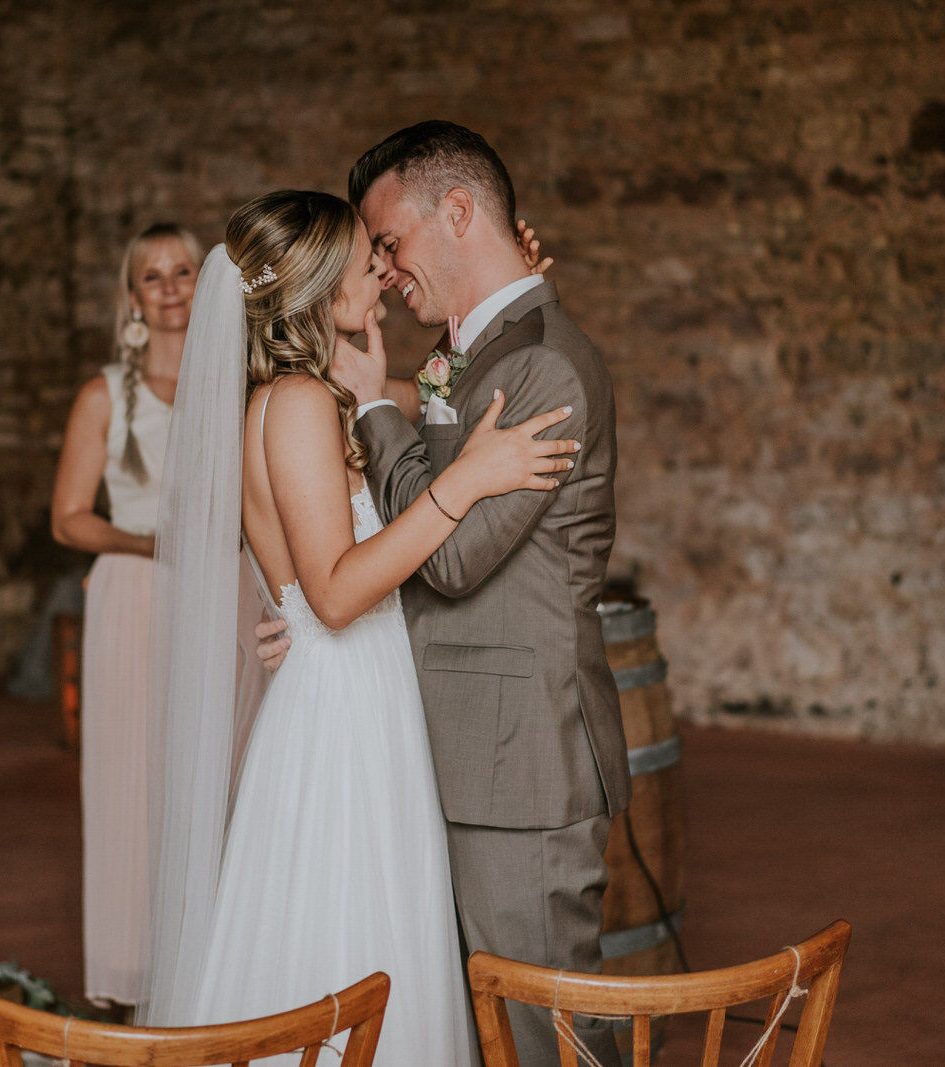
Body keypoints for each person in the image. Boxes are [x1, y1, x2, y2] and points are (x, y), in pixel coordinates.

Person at [136, 190, 579, 1065]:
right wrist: (471, 483)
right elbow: (335, 595)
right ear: (313, 286)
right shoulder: (297, 401)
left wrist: (493, 291)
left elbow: (437, 399)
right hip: (343, 708)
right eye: (360, 261)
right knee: (351, 926)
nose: (378, 271)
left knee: (363, 928)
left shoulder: (313, 394)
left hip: (355, 690)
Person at [334, 120, 632, 1067]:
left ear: (457, 211)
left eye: (390, 242)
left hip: (522, 761)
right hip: (474, 747)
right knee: (485, 1031)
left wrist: (375, 404)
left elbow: (453, 558)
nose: (383, 270)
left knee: (546, 1036)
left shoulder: (542, 362)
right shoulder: (484, 349)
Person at [49, 223, 203, 1010]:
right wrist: (146, 542)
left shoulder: (235, 386)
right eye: (154, 275)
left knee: (213, 768)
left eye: (185, 270)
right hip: (135, 594)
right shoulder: (103, 394)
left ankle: (209, 958)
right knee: (133, 777)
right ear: (133, 296)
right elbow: (68, 518)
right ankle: (132, 967)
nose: (172, 286)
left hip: (219, 595)